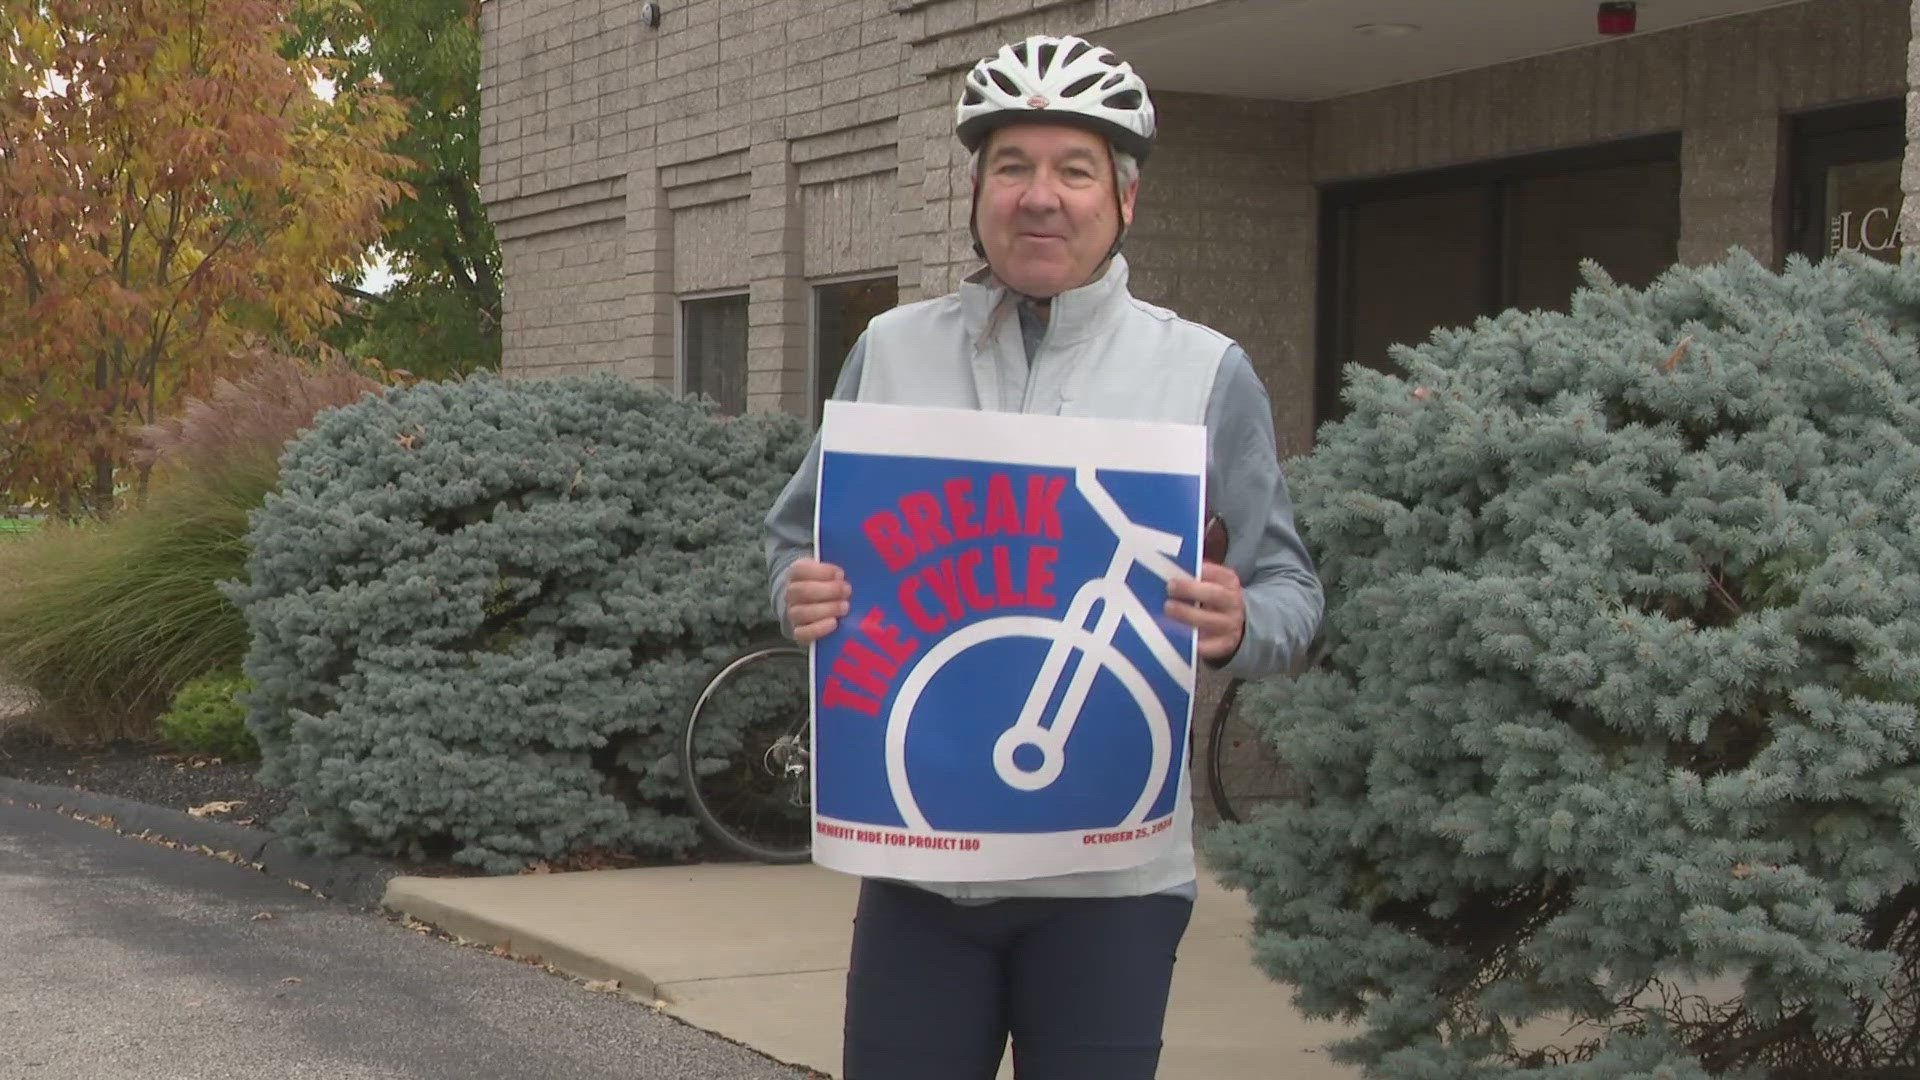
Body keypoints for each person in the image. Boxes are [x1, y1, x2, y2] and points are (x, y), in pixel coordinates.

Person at [763, 33, 1323, 1080]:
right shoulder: (890, 349)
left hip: (1110, 882)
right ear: (977, 192)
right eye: (1013, 167)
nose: (1040, 196)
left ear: (1126, 200)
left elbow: (1293, 589)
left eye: (1075, 170)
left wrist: (1245, 624)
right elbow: (798, 535)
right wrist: (796, 592)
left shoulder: (1204, 371)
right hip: (918, 869)